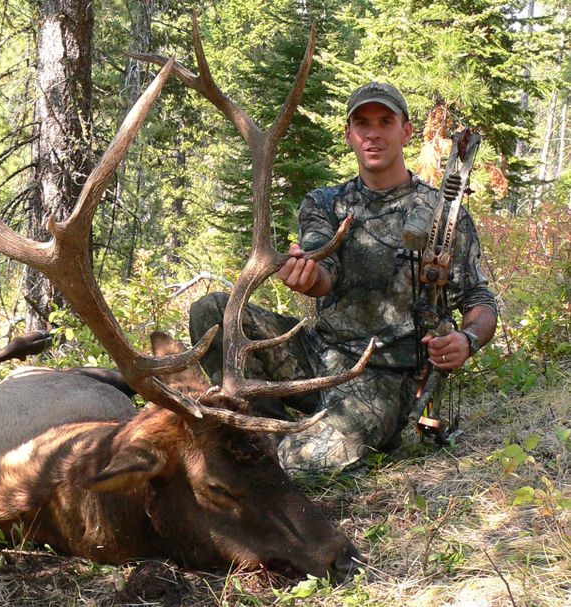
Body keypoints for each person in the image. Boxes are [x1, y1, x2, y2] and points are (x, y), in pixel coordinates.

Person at [189, 82, 498, 472]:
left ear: (405, 132)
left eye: (385, 122)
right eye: (362, 123)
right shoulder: (325, 203)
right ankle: (260, 430)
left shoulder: (444, 214)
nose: (373, 132)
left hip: (383, 378)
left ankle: (273, 455)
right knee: (214, 311)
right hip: (319, 355)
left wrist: (467, 339)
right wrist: (306, 276)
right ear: (349, 134)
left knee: (302, 462)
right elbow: (324, 272)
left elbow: (479, 300)